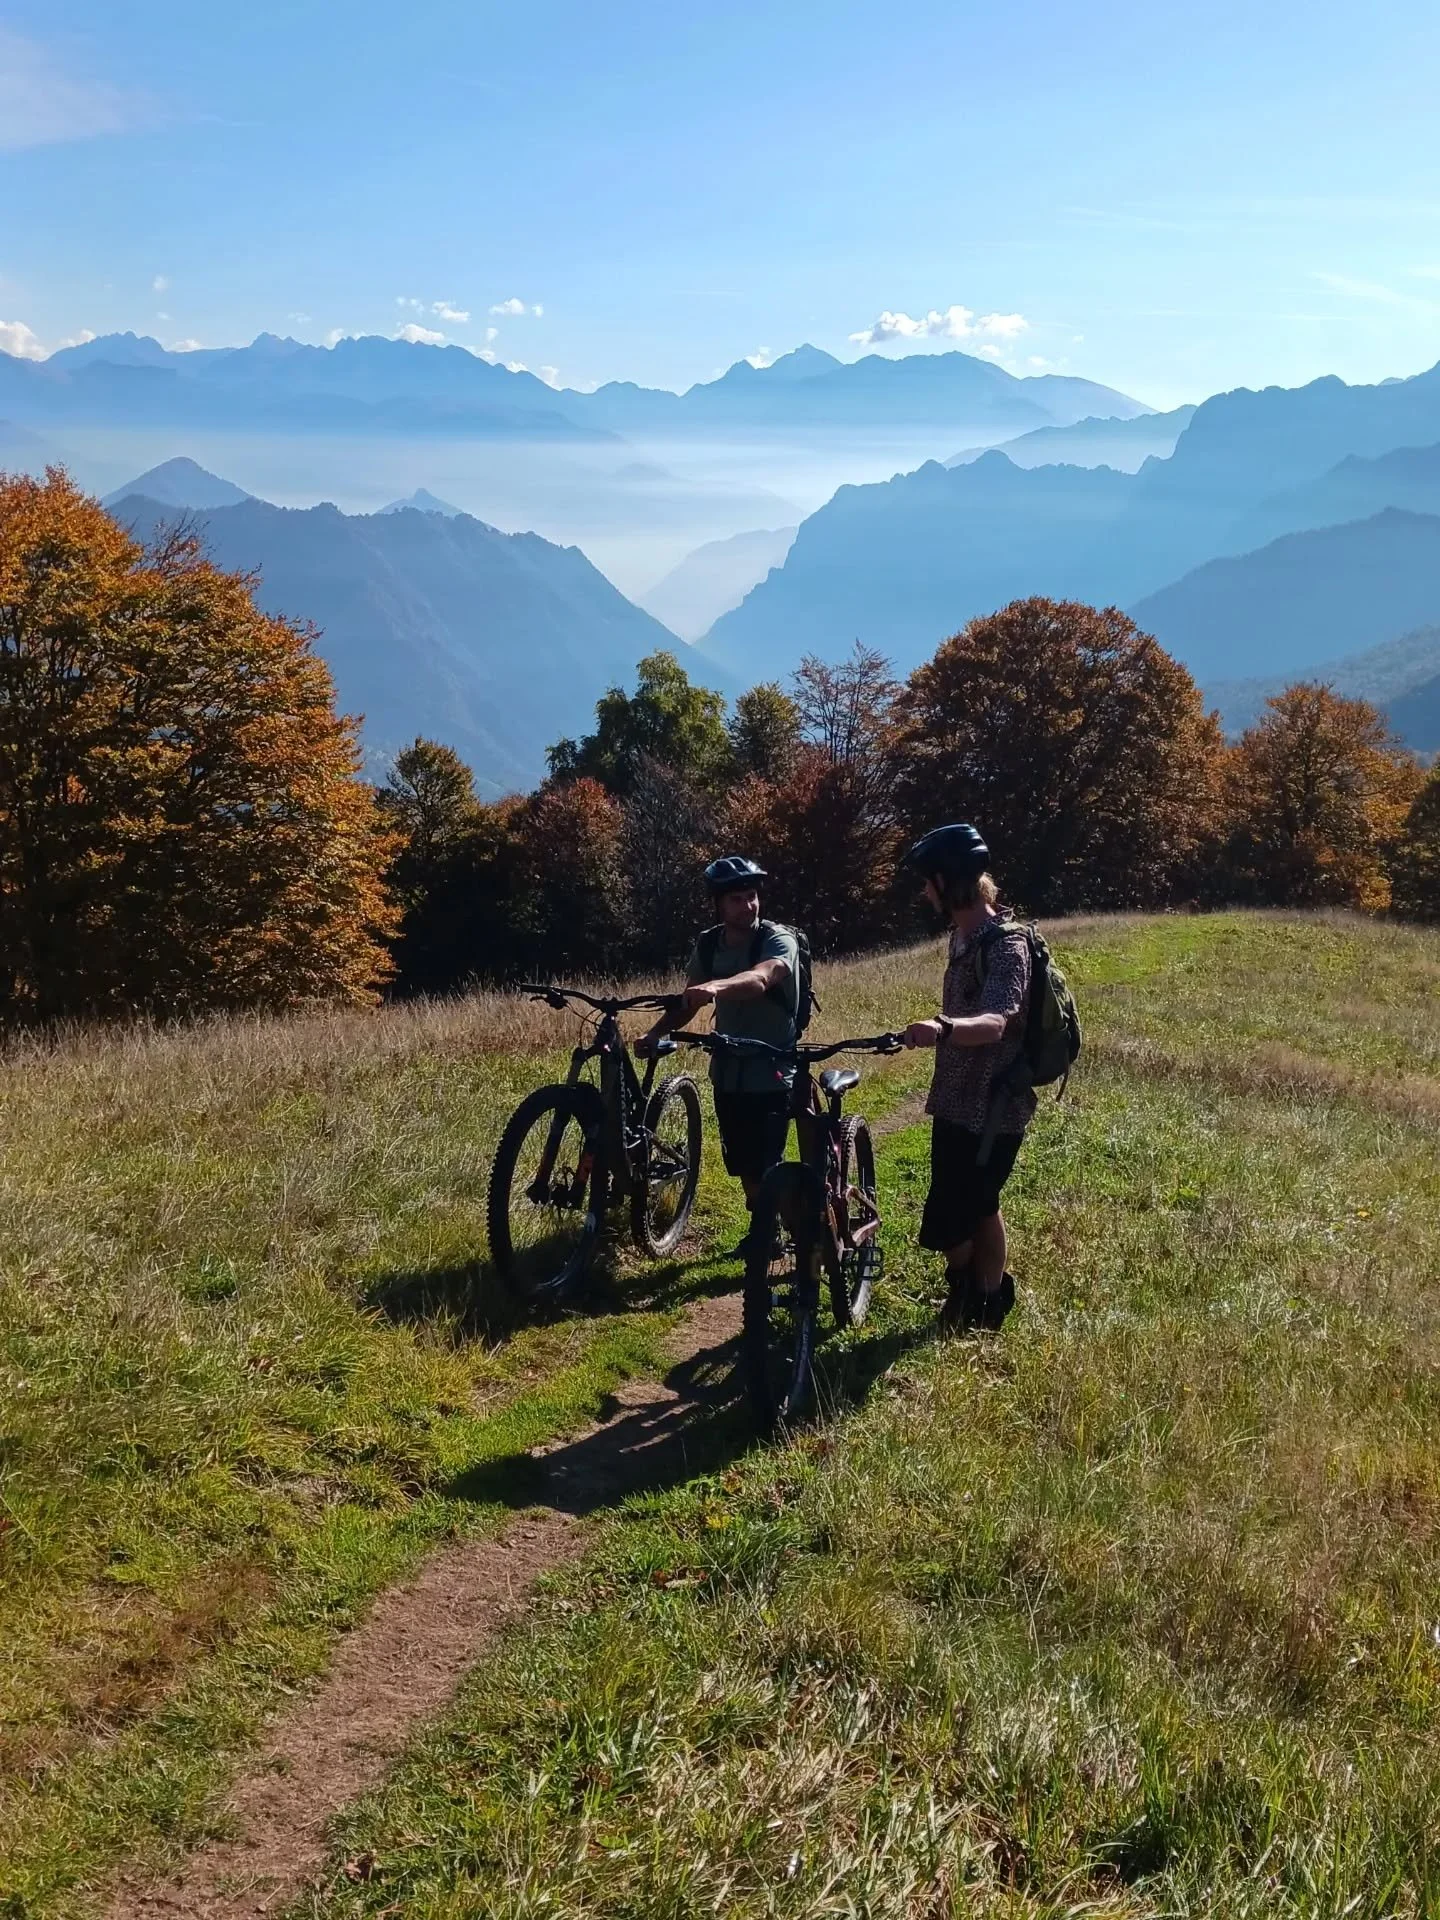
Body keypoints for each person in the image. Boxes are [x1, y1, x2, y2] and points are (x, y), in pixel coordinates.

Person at [901, 823, 1034, 1331]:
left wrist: (943, 1026)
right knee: (948, 1213)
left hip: (996, 1104)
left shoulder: (1007, 944)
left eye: (927, 881)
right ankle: (969, 1288)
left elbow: (999, 1019)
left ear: (946, 881)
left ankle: (986, 1300)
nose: (923, 892)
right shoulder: (961, 937)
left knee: (980, 1204)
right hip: (956, 1097)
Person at [639, 856, 801, 1246]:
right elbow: (688, 1002)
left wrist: (717, 987)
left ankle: (787, 1236)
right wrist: (655, 1032)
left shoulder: (778, 939)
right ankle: (765, 1228)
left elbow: (762, 978)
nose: (749, 905)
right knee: (742, 1162)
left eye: (752, 896)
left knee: (768, 1163)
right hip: (728, 1073)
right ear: (719, 905)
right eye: (737, 899)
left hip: (772, 1070)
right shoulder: (709, 944)